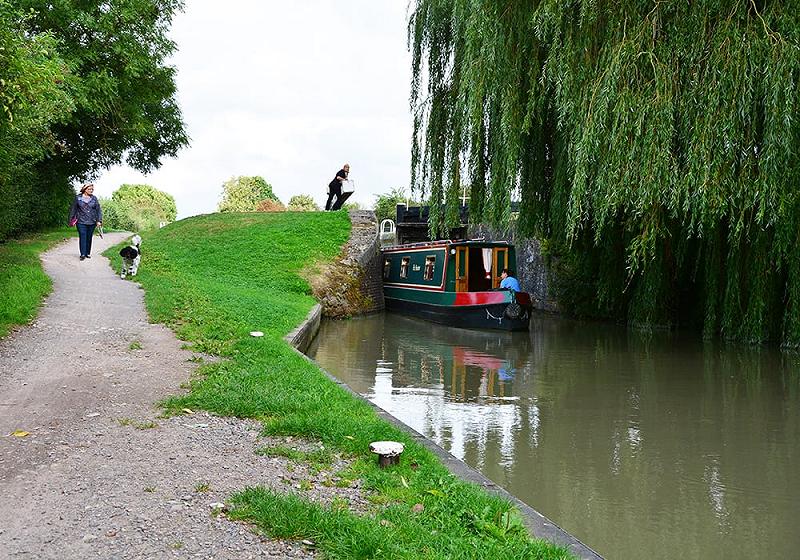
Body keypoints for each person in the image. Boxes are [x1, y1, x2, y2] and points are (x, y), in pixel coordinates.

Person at [68, 183, 103, 261]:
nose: (91, 191)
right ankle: (82, 254)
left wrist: (99, 220)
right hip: (81, 221)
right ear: (85, 189)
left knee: (89, 237)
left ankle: (87, 253)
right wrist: (71, 220)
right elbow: (73, 209)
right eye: (89, 189)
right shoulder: (78, 198)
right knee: (83, 236)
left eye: (92, 189)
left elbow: (98, 210)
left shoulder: (94, 198)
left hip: (92, 221)